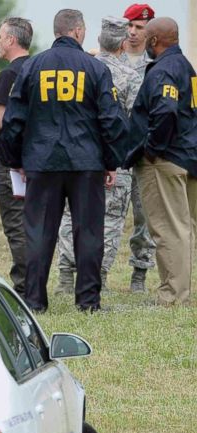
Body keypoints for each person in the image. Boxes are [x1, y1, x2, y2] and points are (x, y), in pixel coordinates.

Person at [0, 9, 130, 313]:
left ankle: (34, 300)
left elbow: (13, 119)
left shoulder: (32, 67)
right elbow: (111, 120)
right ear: (79, 32)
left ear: (57, 31)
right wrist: (111, 161)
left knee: (39, 233)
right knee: (89, 232)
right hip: (86, 163)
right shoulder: (95, 69)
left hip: (42, 162)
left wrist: (15, 159)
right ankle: (88, 301)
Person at [56, 17, 142, 293]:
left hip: (77, 155)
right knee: (111, 220)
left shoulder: (81, 69)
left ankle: (65, 277)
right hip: (116, 159)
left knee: (70, 215)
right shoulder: (130, 76)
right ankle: (99, 278)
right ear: (123, 43)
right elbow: (134, 120)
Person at [125, 17, 197, 306]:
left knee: (169, 228)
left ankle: (173, 296)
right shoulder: (187, 67)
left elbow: (165, 112)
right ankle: (180, 292)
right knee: (185, 227)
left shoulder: (163, 70)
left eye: (147, 38)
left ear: (154, 41)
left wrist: (152, 149)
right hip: (189, 154)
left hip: (165, 159)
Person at [0, 17, 32, 296]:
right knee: (36, 224)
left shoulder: (8, 75)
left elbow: (0, 122)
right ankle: (37, 284)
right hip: (38, 160)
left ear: (12, 40)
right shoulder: (39, 68)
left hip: (12, 164)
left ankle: (25, 289)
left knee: (16, 225)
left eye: (0, 37)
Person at [123, 3, 159, 292]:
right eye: (130, 26)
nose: (133, 33)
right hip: (116, 151)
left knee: (144, 217)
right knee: (107, 217)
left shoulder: (156, 65)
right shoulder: (110, 60)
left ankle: (140, 274)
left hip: (145, 151)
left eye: (140, 28)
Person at [123, 4, 156, 71]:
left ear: (149, 30)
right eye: (129, 25)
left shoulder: (155, 61)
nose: (132, 32)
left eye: (139, 27)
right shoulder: (110, 56)